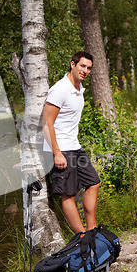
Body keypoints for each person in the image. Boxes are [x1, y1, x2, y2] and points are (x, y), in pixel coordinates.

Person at [42, 51, 101, 234]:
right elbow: (46, 123)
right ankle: (81, 236)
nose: (85, 70)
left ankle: (92, 229)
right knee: (68, 194)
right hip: (60, 149)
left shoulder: (79, 89)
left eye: (89, 68)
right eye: (82, 66)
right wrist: (56, 152)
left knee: (93, 182)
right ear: (72, 64)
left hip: (74, 146)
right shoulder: (60, 89)